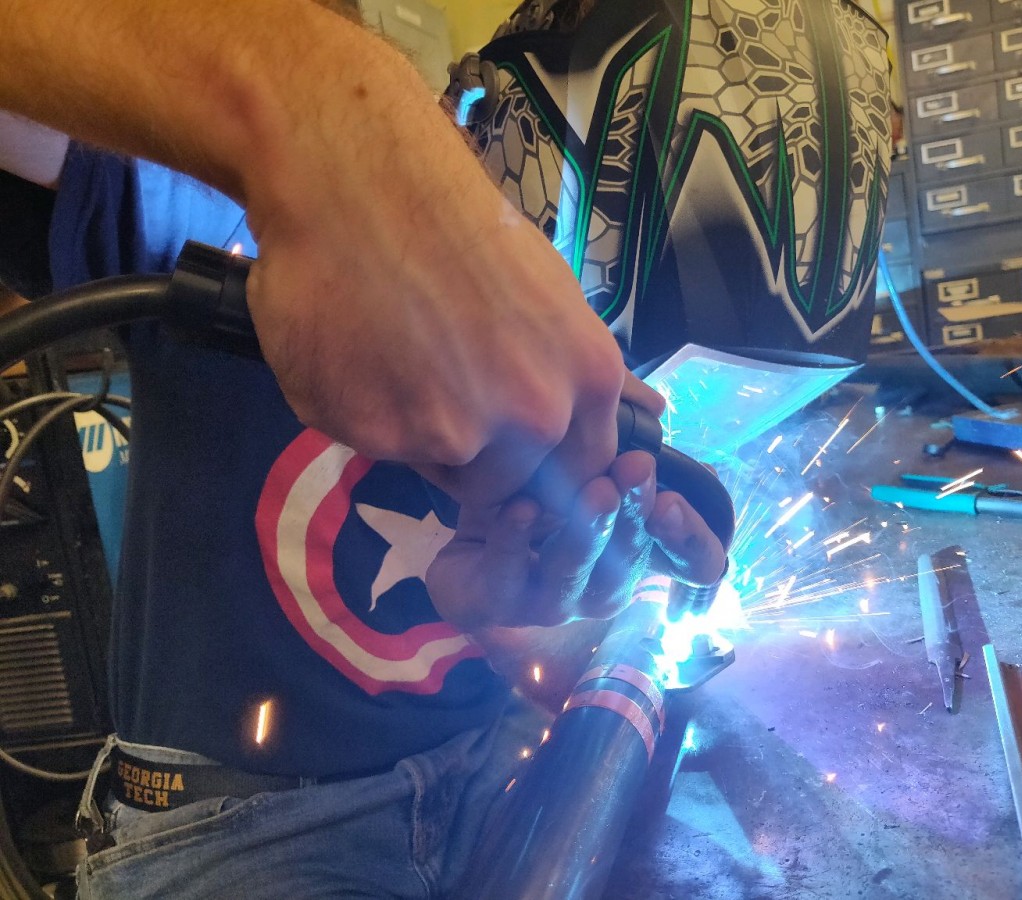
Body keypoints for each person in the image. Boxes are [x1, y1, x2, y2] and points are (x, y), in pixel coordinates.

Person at [0, 1, 728, 897]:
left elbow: (539, 650)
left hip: (486, 761)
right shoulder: (223, 213)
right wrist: (310, 117)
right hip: (248, 821)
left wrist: (553, 626)